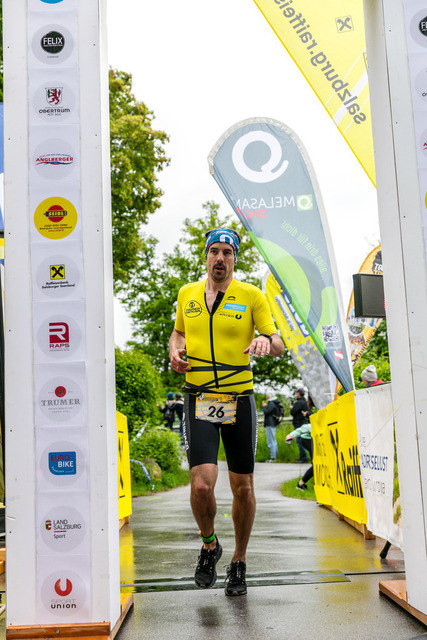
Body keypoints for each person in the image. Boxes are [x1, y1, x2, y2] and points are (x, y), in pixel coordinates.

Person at [169, 228, 284, 596]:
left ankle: (239, 560)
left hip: (239, 398)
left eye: (227, 253)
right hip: (198, 397)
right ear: (206, 256)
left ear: (235, 258)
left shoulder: (251, 295)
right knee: (202, 484)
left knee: (243, 488)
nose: (220, 258)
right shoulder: (187, 293)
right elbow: (179, 333)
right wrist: (174, 351)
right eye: (214, 251)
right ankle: (210, 545)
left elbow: (278, 343)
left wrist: (265, 339)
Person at [286, 395, 314, 490]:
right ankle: (301, 484)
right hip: (308, 438)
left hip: (311, 437)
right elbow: (307, 427)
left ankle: (304, 483)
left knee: (317, 464)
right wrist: (292, 434)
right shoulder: (309, 404)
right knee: (316, 464)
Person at [290, 388, 310, 463]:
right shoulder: (305, 402)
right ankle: (305, 457)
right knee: (304, 439)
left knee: (299, 441)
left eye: (296, 393)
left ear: (298, 394)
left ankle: (303, 458)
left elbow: (293, 412)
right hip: (304, 422)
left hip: (298, 423)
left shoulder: (298, 403)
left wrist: (291, 408)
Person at [261, 390, 281, 462]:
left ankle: (272, 457)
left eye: (267, 395)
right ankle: (275, 456)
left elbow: (266, 412)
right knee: (273, 440)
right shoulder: (274, 403)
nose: (266, 396)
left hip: (270, 423)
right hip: (273, 423)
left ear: (269, 396)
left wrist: (264, 406)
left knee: (271, 441)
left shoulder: (271, 403)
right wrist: (267, 406)